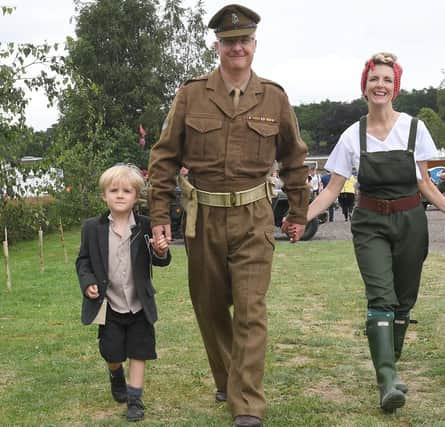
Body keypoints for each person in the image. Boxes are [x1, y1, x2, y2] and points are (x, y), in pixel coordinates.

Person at [147, 5, 309, 427]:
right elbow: (164, 157)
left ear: (254, 45)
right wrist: (160, 213)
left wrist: (298, 209)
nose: (237, 47)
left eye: (244, 40)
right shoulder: (191, 94)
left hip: (255, 216)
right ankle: (227, 377)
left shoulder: (273, 96)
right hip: (203, 218)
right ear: (218, 46)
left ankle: (247, 405)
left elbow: (294, 157)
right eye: (228, 41)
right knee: (210, 306)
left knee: (252, 308)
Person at [288, 52, 445, 413]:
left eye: (388, 80)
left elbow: (424, 183)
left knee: (403, 301)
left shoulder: (414, 129)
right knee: (380, 298)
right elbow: (330, 190)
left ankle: (390, 366)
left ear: (396, 87)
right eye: (374, 79)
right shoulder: (351, 136)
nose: (380, 85)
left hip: (410, 222)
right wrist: (302, 217)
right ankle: (386, 379)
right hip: (370, 221)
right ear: (365, 86)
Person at [75, 165, 171, 422]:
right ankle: (116, 374)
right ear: (104, 195)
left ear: (136, 196)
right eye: (113, 190)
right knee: (112, 352)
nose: (119, 195)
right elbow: (83, 261)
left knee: (140, 351)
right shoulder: (91, 228)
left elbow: (161, 260)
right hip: (109, 305)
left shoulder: (147, 226)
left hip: (139, 305)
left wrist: (160, 250)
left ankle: (135, 398)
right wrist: (87, 282)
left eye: (126, 191)